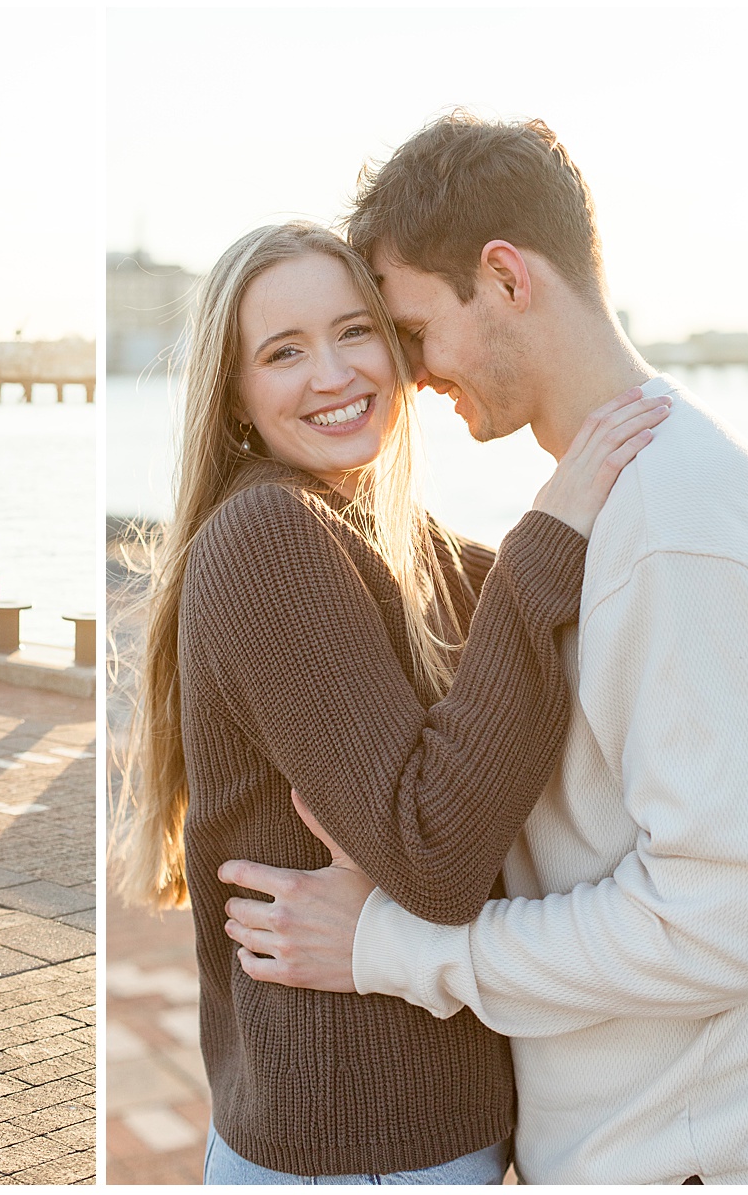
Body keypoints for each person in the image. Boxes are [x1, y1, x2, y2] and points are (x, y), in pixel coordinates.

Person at [220, 114, 748, 1185]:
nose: (411, 372)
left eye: (412, 328)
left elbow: (719, 921)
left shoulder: (677, 525)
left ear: (504, 278)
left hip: (708, 1163)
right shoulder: (622, 499)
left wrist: (400, 950)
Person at [112, 219, 668, 1183]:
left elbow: (540, 631)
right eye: (284, 352)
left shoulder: (387, 535)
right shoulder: (269, 536)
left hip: (418, 1125)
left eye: (354, 331)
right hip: (355, 1141)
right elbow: (433, 854)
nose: (332, 373)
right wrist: (555, 522)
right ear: (236, 397)